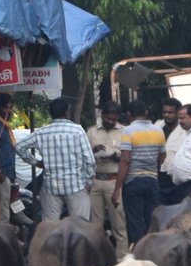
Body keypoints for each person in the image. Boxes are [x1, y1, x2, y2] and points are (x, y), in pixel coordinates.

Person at [19, 96, 96, 224]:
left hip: (50, 187)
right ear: (67, 112)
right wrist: (88, 182)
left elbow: (19, 147)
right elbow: (89, 160)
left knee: (49, 226)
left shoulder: (42, 132)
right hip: (75, 185)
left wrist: (36, 163)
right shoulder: (77, 130)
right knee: (80, 225)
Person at [112, 102, 165, 243]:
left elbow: (125, 160)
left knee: (135, 222)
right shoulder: (158, 130)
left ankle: (138, 254)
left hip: (133, 182)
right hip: (152, 181)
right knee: (151, 221)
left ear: (129, 114)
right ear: (146, 113)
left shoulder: (128, 131)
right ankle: (153, 253)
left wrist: (117, 189)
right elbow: (162, 156)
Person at [86, 103, 128, 253]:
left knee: (119, 223)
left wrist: (114, 155)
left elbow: (127, 158)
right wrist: (93, 150)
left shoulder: (124, 132)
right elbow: (84, 156)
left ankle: (122, 257)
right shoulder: (91, 131)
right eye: (107, 118)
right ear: (102, 115)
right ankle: (98, 257)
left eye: (113, 118)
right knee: (95, 225)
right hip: (95, 181)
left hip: (114, 181)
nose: (110, 121)